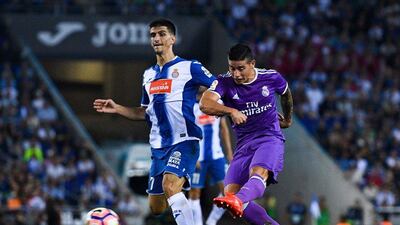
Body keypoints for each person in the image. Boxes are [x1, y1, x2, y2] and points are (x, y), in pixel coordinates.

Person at [93, 18, 216, 225]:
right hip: (158, 147)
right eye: (153, 35)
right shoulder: (148, 75)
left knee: (170, 186)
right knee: (157, 207)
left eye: (161, 34)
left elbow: (218, 86)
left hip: (184, 140)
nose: (156, 38)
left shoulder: (190, 67)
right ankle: (183, 205)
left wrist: (220, 104)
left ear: (172, 38)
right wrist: (117, 108)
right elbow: (144, 112)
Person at [199, 43, 293, 225]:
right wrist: (230, 111)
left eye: (240, 68)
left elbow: (286, 93)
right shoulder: (224, 82)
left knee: (257, 172)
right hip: (243, 145)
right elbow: (205, 104)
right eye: (232, 68)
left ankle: (239, 199)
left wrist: (288, 119)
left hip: (269, 139)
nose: (236, 74)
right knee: (231, 194)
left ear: (252, 64)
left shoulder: (271, 77)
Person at [188, 91, 233, 225]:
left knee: (228, 191)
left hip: (216, 155)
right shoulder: (191, 106)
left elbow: (224, 129)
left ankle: (211, 222)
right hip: (198, 157)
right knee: (194, 193)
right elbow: (188, 133)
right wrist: (192, 155)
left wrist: (229, 153)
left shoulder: (218, 104)